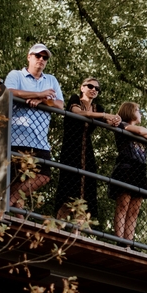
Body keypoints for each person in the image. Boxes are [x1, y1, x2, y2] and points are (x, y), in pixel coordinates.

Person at [3, 43, 64, 209]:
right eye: (38, 56)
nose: (41, 60)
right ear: (29, 57)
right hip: (17, 136)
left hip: (40, 140)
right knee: (16, 178)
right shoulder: (16, 75)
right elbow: (8, 92)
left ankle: (8, 201)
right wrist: (38, 93)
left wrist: (43, 100)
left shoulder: (51, 80)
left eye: (45, 58)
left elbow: (60, 105)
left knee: (44, 176)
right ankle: (17, 214)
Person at [54, 77, 121, 224]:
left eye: (97, 89)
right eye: (90, 86)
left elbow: (109, 122)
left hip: (87, 150)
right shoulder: (75, 99)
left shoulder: (98, 108)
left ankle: (78, 231)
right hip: (71, 148)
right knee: (69, 188)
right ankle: (56, 228)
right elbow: (77, 112)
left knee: (86, 190)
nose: (94, 90)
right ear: (82, 87)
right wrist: (104, 116)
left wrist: (115, 120)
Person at [107, 102, 147, 242]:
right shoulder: (121, 125)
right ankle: (120, 241)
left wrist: (144, 132)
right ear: (130, 111)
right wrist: (144, 132)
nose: (140, 113)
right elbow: (137, 131)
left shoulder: (140, 130)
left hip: (140, 171)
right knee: (123, 205)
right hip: (125, 168)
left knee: (134, 210)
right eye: (138, 110)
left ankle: (129, 243)